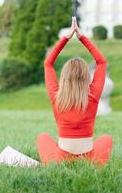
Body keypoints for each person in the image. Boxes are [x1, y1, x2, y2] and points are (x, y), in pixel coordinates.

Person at [37, 17, 112, 166]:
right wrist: (81, 37)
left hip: (61, 159)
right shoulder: (93, 96)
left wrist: (66, 38)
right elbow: (101, 62)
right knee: (106, 139)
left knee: (42, 137)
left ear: (64, 77)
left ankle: (57, 162)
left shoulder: (56, 96)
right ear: (86, 77)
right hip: (90, 159)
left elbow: (48, 63)